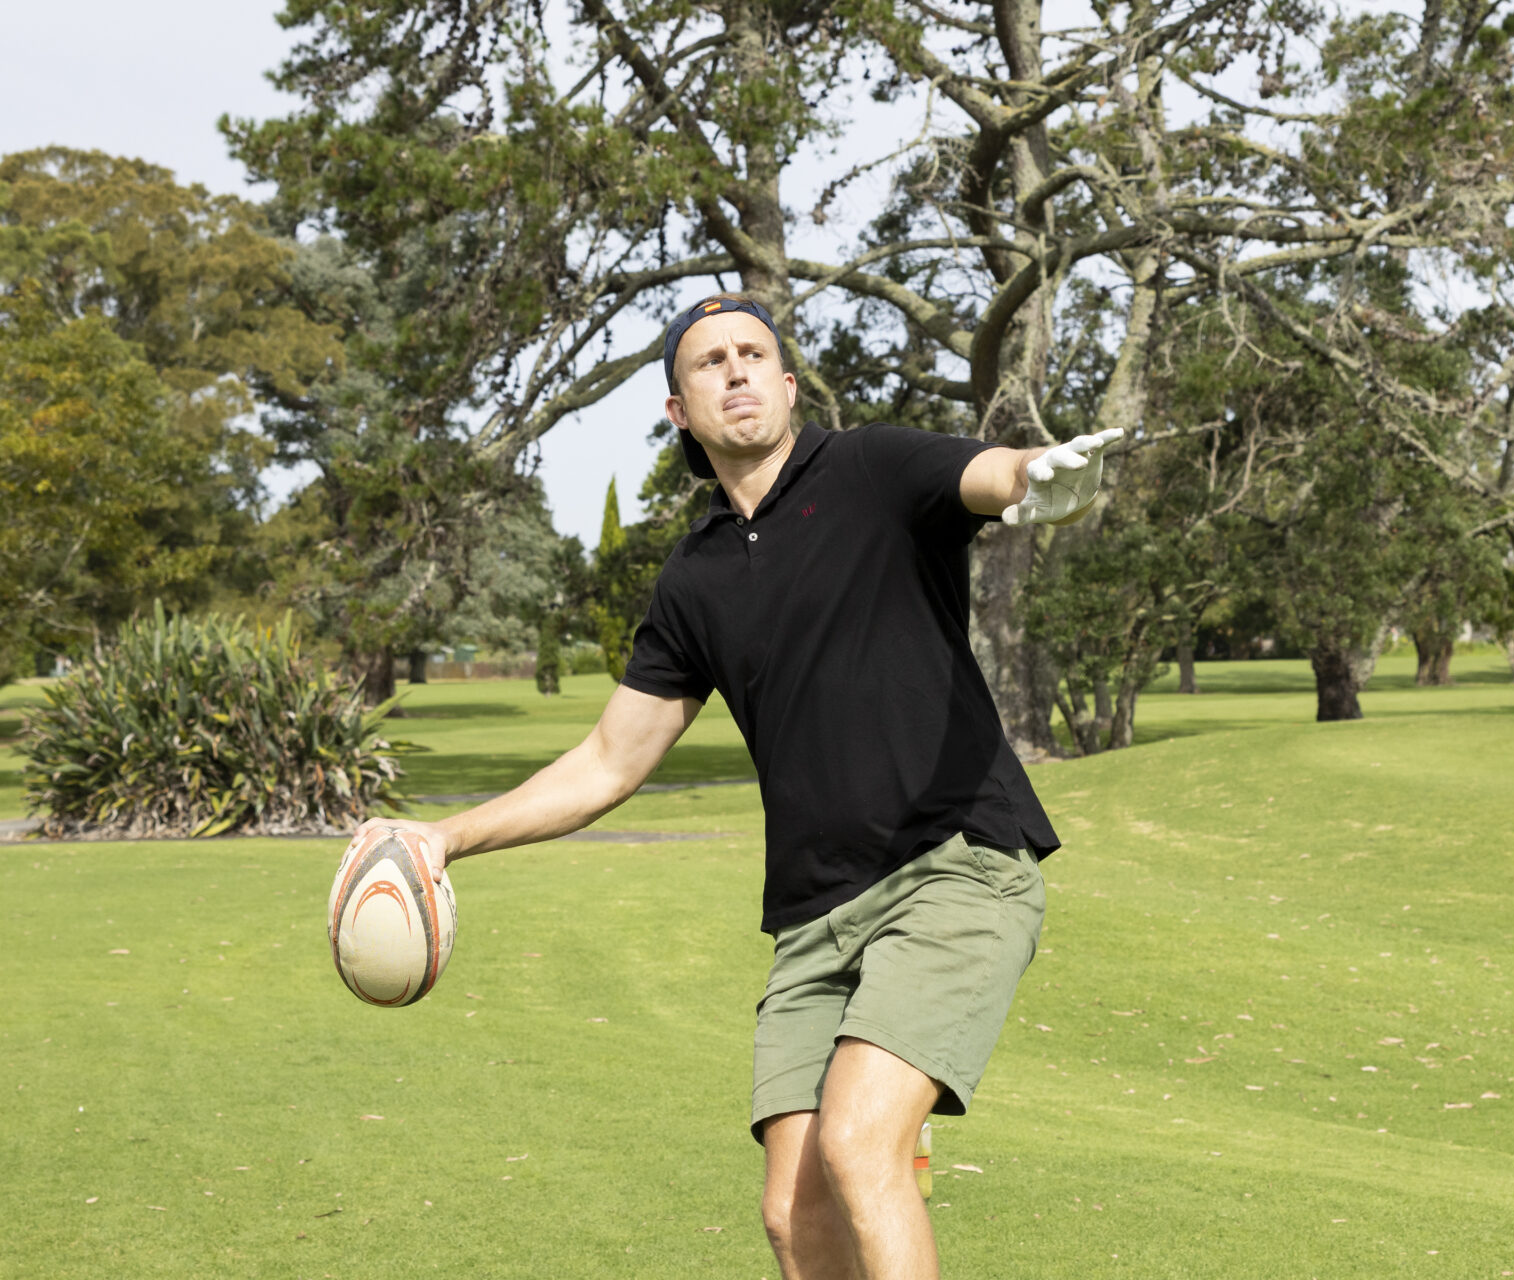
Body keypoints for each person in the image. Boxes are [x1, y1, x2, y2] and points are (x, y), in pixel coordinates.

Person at [357, 292, 1123, 1280]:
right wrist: (444, 837)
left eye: (753, 353)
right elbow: (609, 761)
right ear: (680, 411)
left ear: (789, 385)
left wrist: (1039, 479)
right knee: (794, 1214)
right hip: (814, 916)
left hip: (953, 869)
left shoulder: (873, 469)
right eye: (709, 361)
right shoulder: (695, 577)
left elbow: (993, 474)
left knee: (859, 1142)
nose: (735, 370)